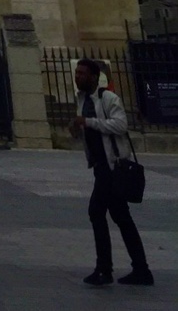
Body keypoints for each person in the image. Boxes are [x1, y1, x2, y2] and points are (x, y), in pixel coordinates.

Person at [70, 58, 153, 286]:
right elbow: (89, 130)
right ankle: (141, 269)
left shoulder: (108, 98)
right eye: (76, 73)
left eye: (82, 74)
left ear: (95, 77)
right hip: (100, 167)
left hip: (113, 167)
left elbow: (120, 125)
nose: (78, 77)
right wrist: (77, 129)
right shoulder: (82, 99)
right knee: (121, 217)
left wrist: (88, 122)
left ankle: (104, 269)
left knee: (96, 212)